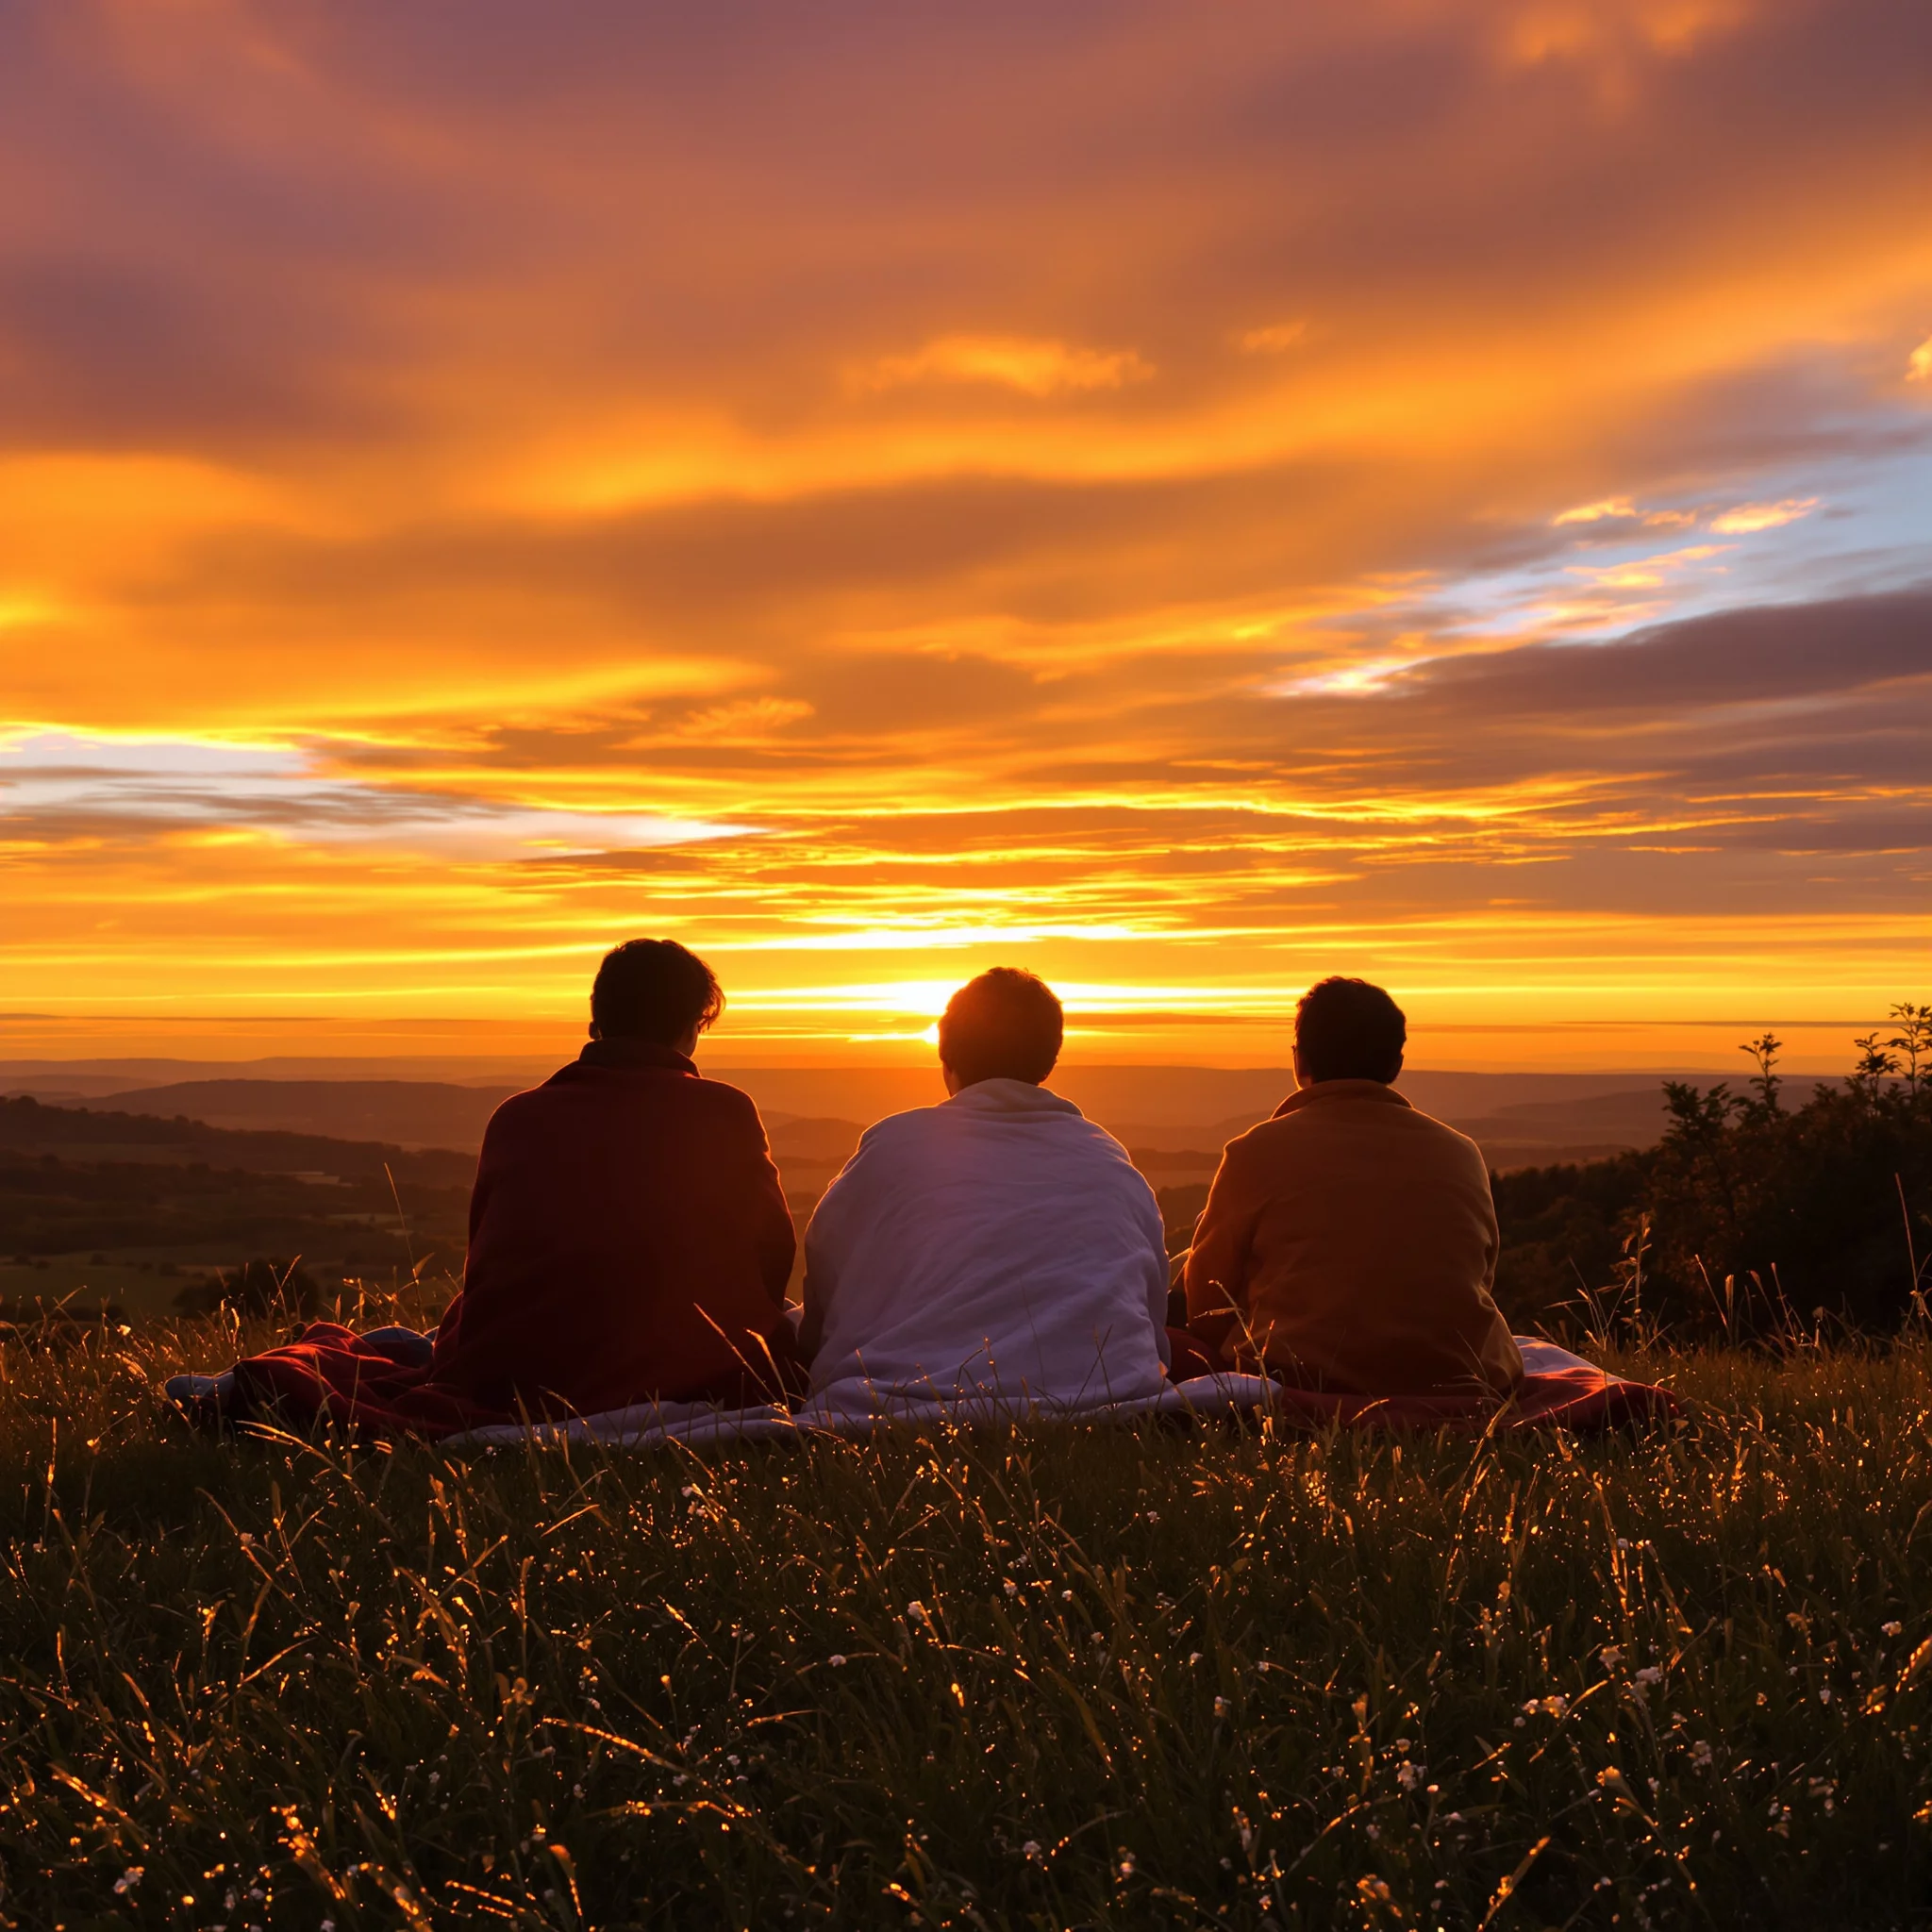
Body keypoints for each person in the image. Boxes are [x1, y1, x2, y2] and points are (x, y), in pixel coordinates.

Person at [167, 939, 802, 1434]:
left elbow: (495, 1267)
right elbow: (772, 1255)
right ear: (689, 1028)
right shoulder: (726, 1110)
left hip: (517, 1369)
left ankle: (232, 1384)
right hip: (688, 1368)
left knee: (398, 1349)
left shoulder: (517, 1116)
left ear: (596, 1024)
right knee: (403, 1348)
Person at [798, 967, 1172, 1412]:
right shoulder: (1109, 1160)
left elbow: (824, 1282)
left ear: (944, 1053)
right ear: (1049, 1060)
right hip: (1108, 1396)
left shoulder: (891, 1144)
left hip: (896, 1398)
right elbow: (1151, 1311)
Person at [1181, 976, 1523, 1399]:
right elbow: (1480, 1274)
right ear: (1396, 1064)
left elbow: (1206, 1304)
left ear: (1300, 1060)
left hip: (1296, 1377)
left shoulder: (1254, 1152)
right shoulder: (1462, 1152)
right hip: (1462, 1377)